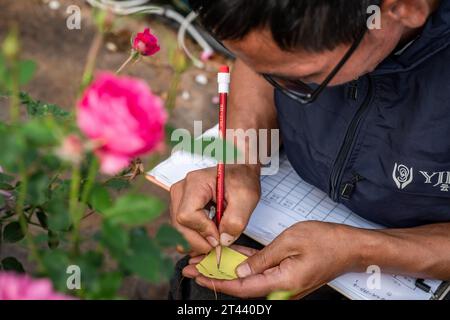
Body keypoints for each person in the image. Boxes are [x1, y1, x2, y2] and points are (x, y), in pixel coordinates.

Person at [168, 0, 450, 299]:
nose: (273, 79)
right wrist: (242, 159)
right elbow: (263, 53)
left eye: (301, 79)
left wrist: (363, 251)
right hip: (290, 214)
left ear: (405, 8)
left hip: (423, 258)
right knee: (203, 294)